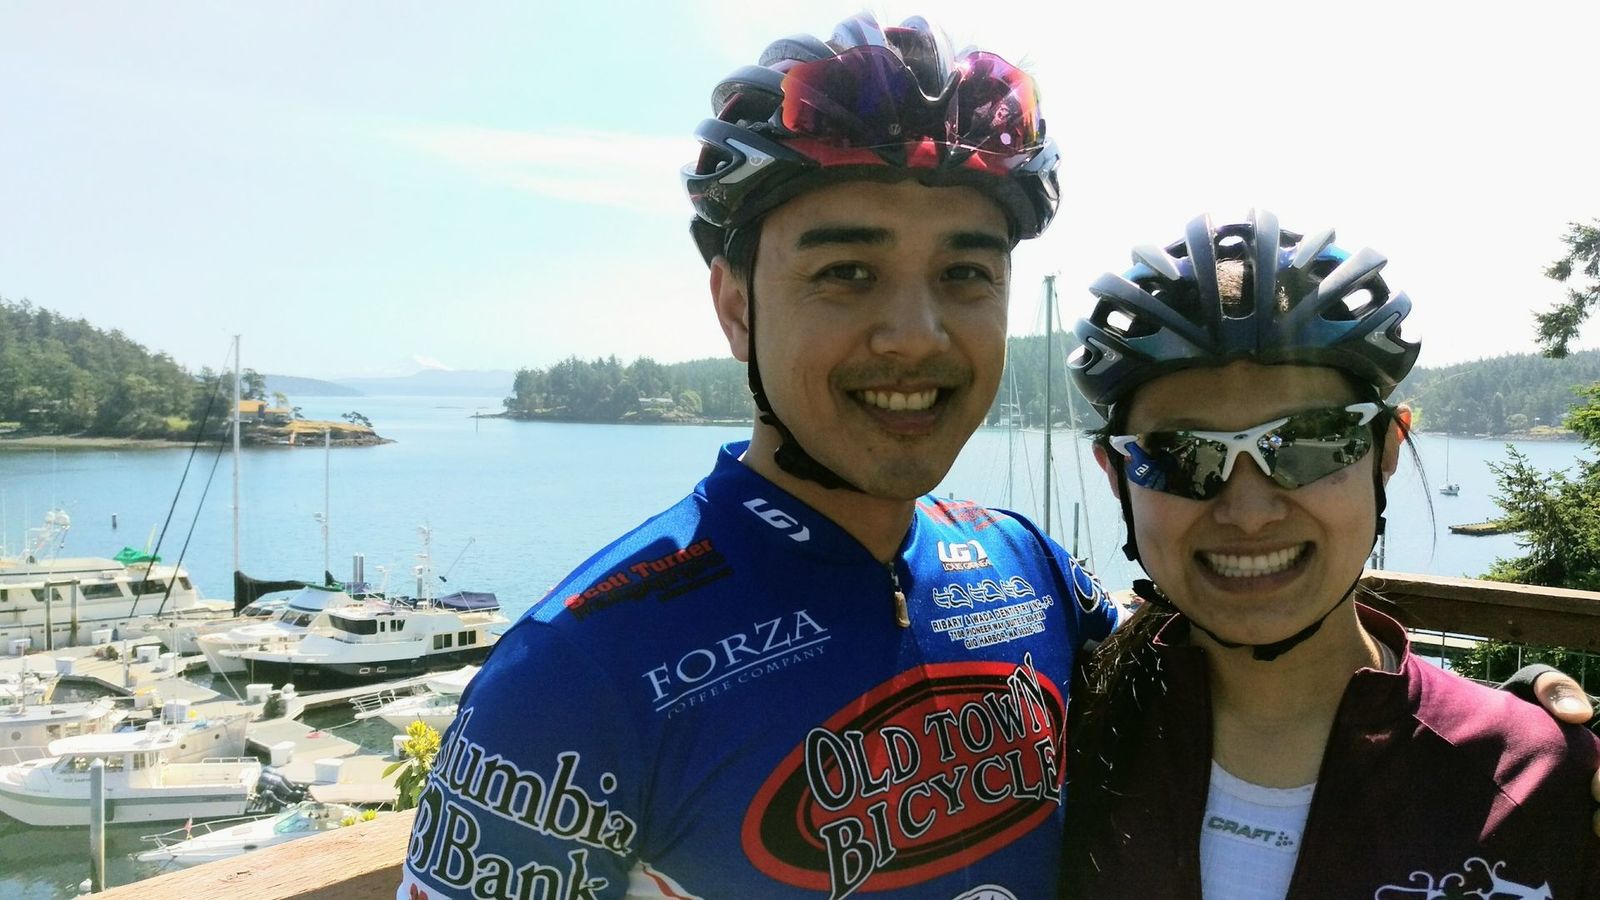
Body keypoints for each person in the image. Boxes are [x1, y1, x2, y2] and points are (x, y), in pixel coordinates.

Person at [399, 14, 1120, 900]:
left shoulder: (1035, 572)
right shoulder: (573, 677)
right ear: (737, 308)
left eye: (966, 274)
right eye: (847, 272)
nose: (915, 336)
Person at [1061, 211, 1600, 898]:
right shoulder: (1050, 744)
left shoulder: (1539, 782)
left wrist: (1522, 734)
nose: (1249, 512)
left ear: (1387, 451)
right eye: (1179, 454)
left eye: (1309, 441)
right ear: (1116, 476)